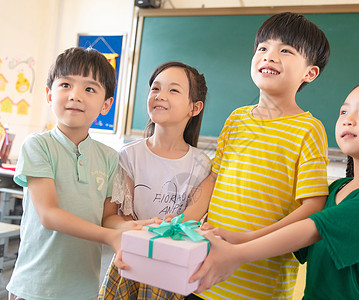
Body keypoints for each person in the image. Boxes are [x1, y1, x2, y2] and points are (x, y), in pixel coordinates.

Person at [190, 75, 359, 299]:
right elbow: (294, 239)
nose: (348, 120)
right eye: (343, 112)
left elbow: (312, 229)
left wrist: (236, 253)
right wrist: (239, 238)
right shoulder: (337, 189)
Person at [186, 12, 331, 300]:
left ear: (309, 73)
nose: (270, 56)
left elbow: (313, 206)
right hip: (205, 272)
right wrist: (186, 222)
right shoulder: (236, 118)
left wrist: (247, 241)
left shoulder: (309, 129)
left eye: (285, 50)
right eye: (262, 48)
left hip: (260, 284)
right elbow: (214, 178)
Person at [6, 47, 151, 300]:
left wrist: (131, 228)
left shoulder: (109, 157)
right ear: (49, 95)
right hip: (35, 287)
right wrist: (112, 236)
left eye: (89, 89)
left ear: (106, 104)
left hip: (84, 289)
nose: (75, 96)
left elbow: (107, 217)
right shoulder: (38, 145)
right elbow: (49, 214)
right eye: (65, 85)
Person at [98, 61, 212, 300]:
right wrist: (137, 227)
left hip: (177, 267)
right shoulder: (129, 155)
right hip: (133, 261)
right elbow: (113, 218)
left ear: (195, 107)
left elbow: (191, 219)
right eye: (155, 88)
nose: (160, 96)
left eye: (173, 90)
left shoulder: (202, 165)